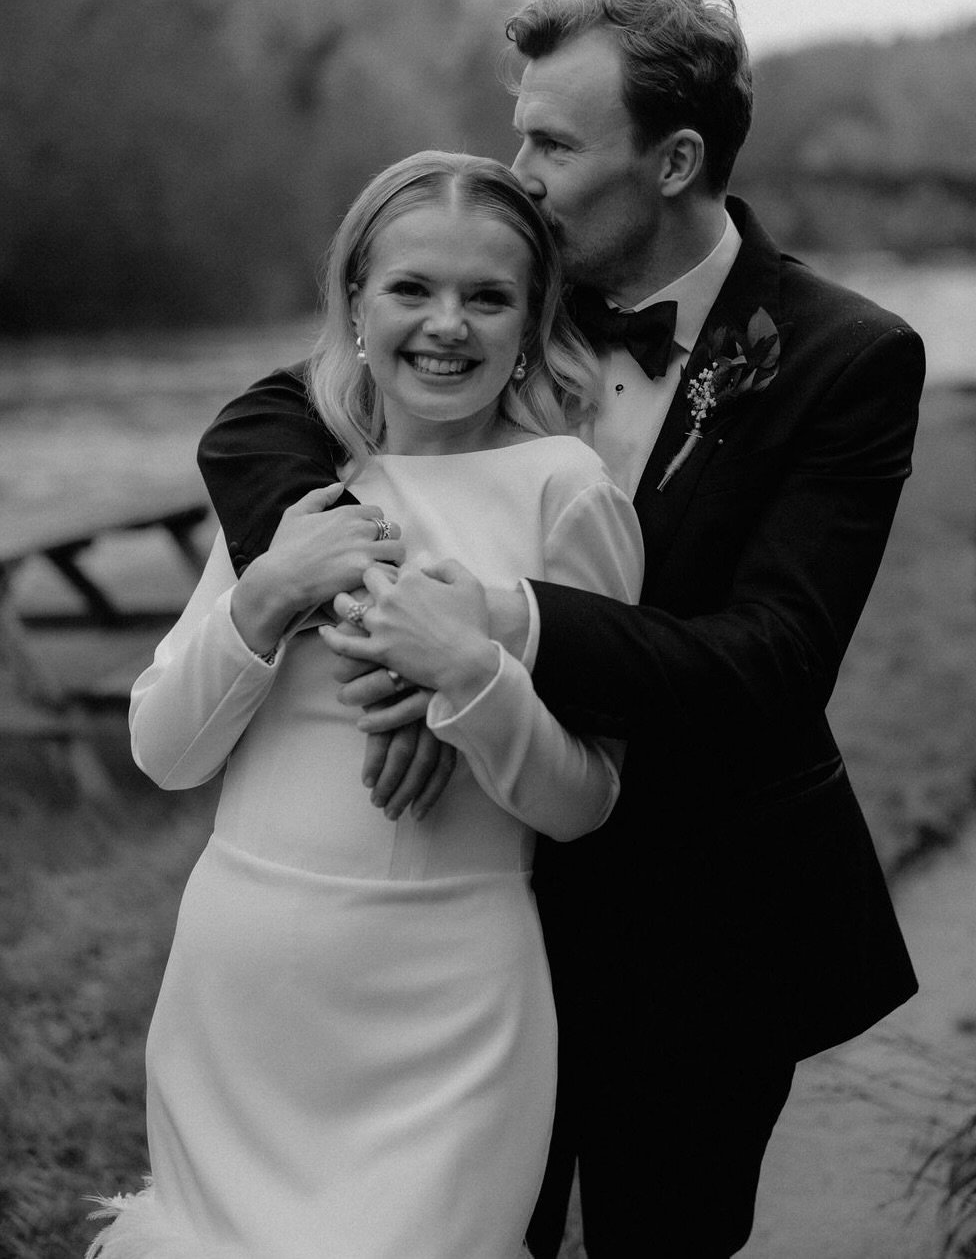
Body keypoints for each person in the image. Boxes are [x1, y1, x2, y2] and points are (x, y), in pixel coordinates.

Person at [194, 0, 925, 1258]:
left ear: (672, 158)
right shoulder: (499, 292)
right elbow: (260, 422)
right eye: (514, 128)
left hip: (703, 926)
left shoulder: (844, 358)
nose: (512, 168)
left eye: (549, 140)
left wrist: (491, 624)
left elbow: (767, 664)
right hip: (472, 903)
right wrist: (390, 630)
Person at [84, 151, 644, 1259]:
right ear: (354, 297)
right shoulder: (300, 485)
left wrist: (471, 681)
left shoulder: (566, 489)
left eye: (487, 297)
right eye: (411, 289)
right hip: (241, 989)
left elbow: (585, 800)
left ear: (533, 319)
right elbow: (163, 750)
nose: (448, 325)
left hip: (450, 1002)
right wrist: (268, 593)